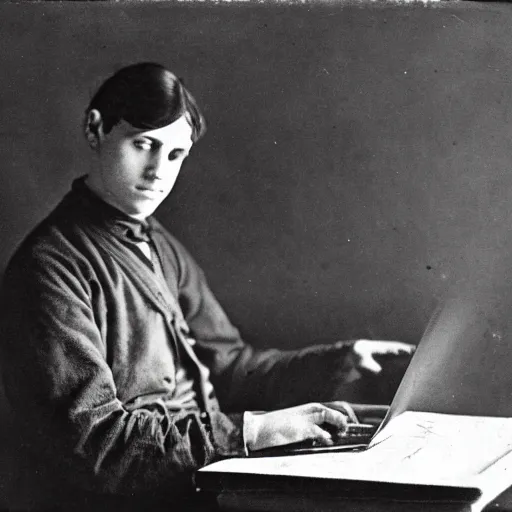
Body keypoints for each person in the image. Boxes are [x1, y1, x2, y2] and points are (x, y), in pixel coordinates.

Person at [0, 63, 414, 512]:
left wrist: (341, 359)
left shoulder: (160, 245)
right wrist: (253, 432)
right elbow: (97, 445)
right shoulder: (49, 267)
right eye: (143, 145)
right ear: (95, 129)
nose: (159, 170)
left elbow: (230, 367)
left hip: (205, 481)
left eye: (176, 154)